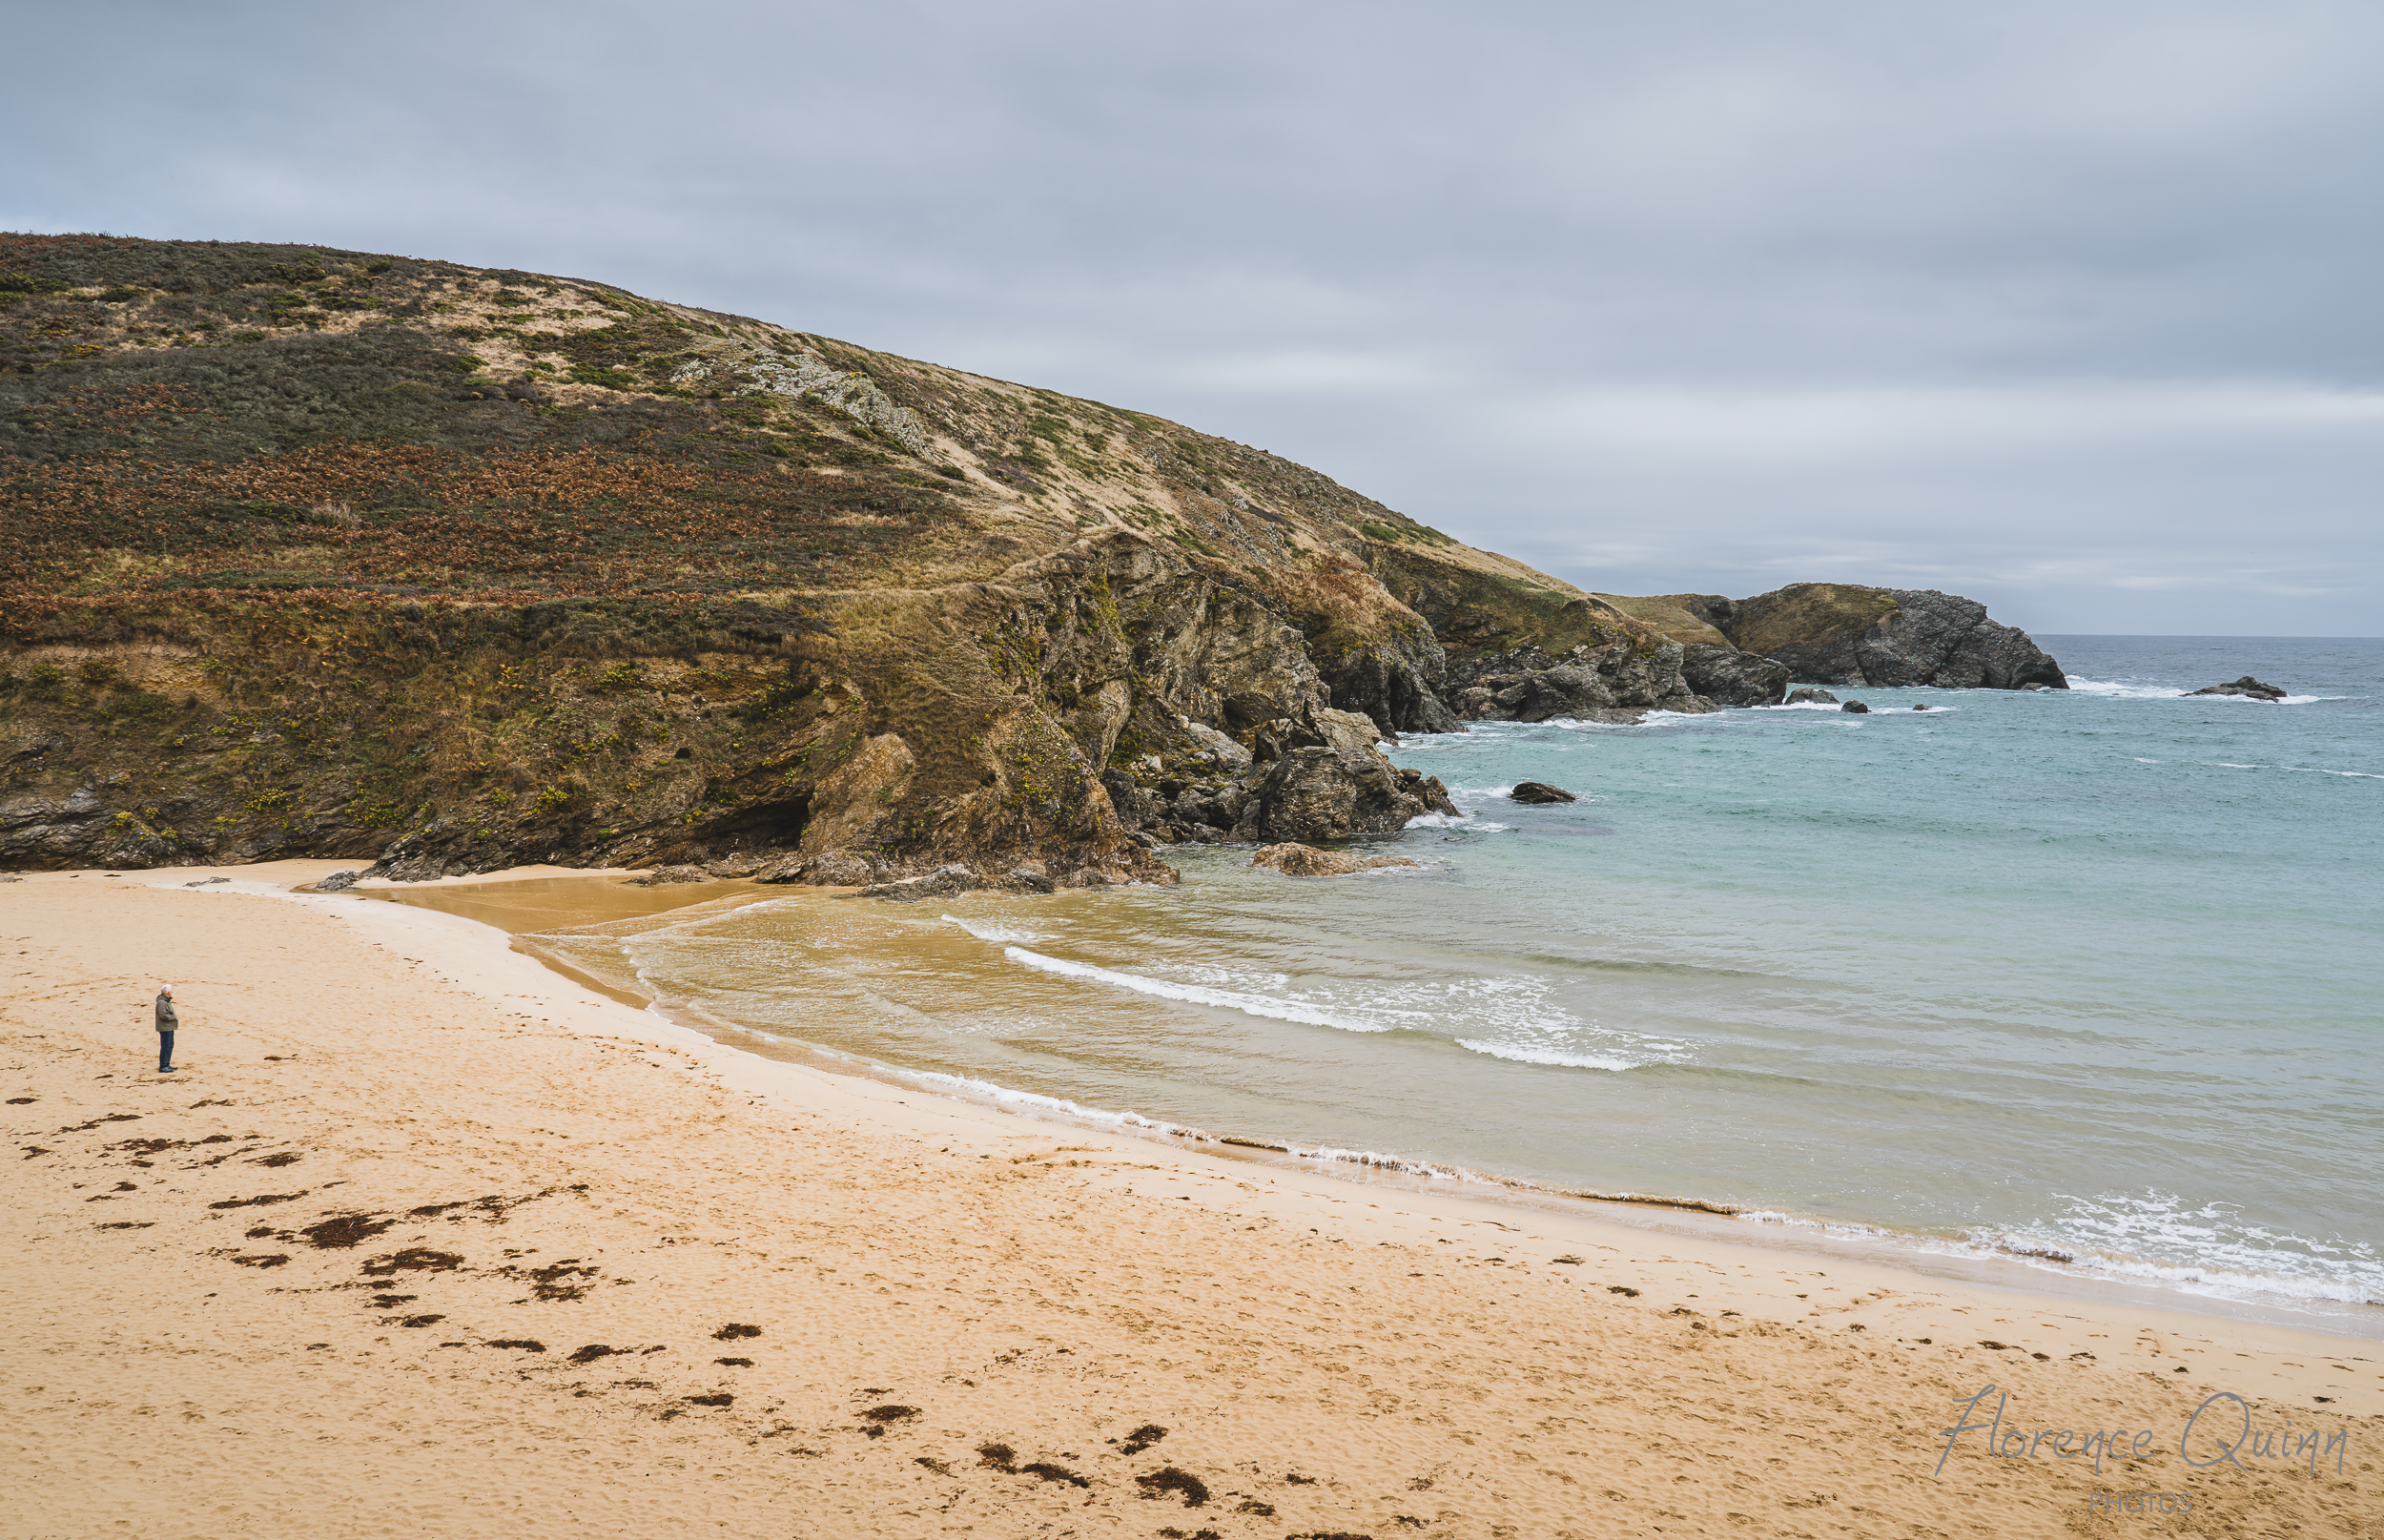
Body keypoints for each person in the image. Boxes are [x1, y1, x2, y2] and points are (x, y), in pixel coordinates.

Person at [154, 985, 177, 1074]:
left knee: (170, 1045)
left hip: (169, 1027)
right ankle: (163, 1066)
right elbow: (163, 1015)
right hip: (165, 1028)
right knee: (166, 1046)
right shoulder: (162, 1002)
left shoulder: (164, 1001)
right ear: (168, 992)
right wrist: (172, 1017)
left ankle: (166, 1064)